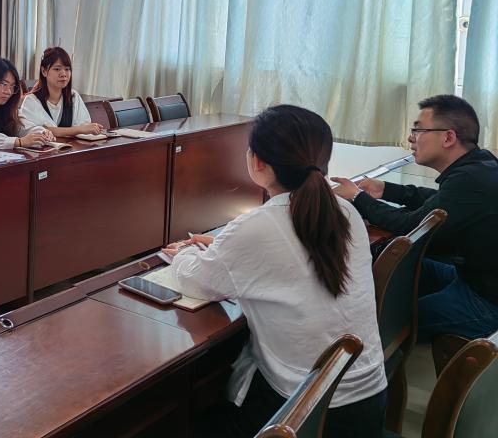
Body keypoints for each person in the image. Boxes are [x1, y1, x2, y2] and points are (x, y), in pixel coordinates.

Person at [165, 105, 386, 438]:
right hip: (368, 405)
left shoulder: (257, 227)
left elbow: (194, 282)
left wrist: (185, 252)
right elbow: (287, 254)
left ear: (257, 163)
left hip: (299, 416)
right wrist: (228, 247)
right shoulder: (346, 213)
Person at [333, 94, 498, 341]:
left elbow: (411, 226)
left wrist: (357, 197)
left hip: (485, 303)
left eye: (418, 130)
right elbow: (439, 200)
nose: (411, 138)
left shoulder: (470, 179)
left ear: (448, 137)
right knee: (389, 268)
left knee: (379, 324)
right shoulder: (481, 165)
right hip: (470, 279)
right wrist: (385, 189)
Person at [19, 46, 105, 137]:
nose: (63, 74)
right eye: (57, 69)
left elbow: (85, 126)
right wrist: (78, 130)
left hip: (72, 146)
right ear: (44, 71)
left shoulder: (73, 96)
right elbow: (38, 131)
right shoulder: (31, 101)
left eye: (67, 69)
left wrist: (86, 129)